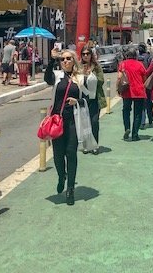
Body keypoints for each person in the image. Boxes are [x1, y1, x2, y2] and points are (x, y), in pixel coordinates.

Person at [44, 49, 87, 205]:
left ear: (74, 60)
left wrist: (78, 101)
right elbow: (47, 78)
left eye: (68, 59)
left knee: (71, 154)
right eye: (62, 59)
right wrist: (52, 60)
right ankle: (62, 175)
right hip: (57, 121)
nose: (65, 61)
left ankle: (70, 189)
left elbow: (89, 98)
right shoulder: (57, 76)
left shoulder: (81, 79)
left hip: (73, 122)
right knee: (57, 155)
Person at [80, 46, 105, 155]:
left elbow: (101, 81)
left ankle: (94, 145)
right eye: (83, 54)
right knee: (85, 123)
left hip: (95, 99)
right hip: (83, 99)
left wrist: (91, 75)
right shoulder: (79, 67)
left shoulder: (96, 67)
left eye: (87, 54)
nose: (85, 56)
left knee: (94, 122)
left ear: (91, 55)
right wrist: (83, 74)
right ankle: (86, 145)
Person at [118, 46, 146, 141]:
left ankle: (127, 128)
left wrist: (118, 88)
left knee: (126, 110)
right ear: (136, 55)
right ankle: (135, 134)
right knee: (137, 113)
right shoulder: (140, 64)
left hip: (127, 91)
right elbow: (144, 77)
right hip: (139, 90)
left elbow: (119, 77)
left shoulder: (123, 64)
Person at [138, 43, 153, 128]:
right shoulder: (148, 57)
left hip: (138, 82)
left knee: (141, 102)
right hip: (147, 81)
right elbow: (151, 69)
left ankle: (142, 122)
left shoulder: (136, 57)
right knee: (148, 101)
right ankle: (150, 117)